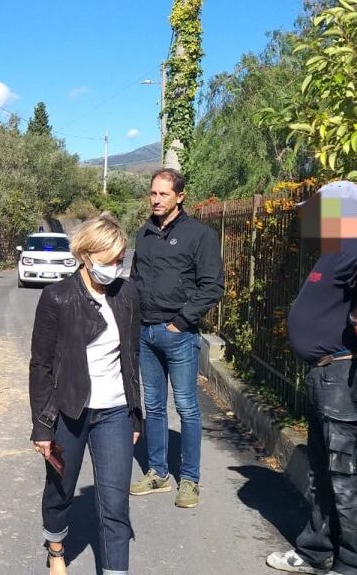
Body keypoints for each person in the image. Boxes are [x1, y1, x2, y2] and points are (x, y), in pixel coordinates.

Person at [267, 181, 357, 575]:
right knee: (325, 472)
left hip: (350, 377)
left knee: (352, 478)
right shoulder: (337, 247)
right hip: (330, 377)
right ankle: (316, 550)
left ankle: (355, 567)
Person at [30, 213, 144, 575]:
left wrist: (135, 414)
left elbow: (131, 358)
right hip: (69, 412)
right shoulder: (57, 297)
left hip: (115, 412)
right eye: (108, 261)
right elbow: (41, 366)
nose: (115, 268)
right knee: (60, 491)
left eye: (120, 260)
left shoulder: (127, 295)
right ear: (86, 255)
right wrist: (43, 427)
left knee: (115, 505)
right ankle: (56, 550)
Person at [128, 168, 222, 508]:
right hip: (146, 332)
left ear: (180, 197)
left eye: (163, 194)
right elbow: (135, 278)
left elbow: (212, 286)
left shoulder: (200, 235)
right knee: (153, 406)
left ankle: (190, 480)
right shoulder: (144, 234)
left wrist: (181, 322)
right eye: (153, 193)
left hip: (178, 334)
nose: (156, 200)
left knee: (186, 407)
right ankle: (158, 472)